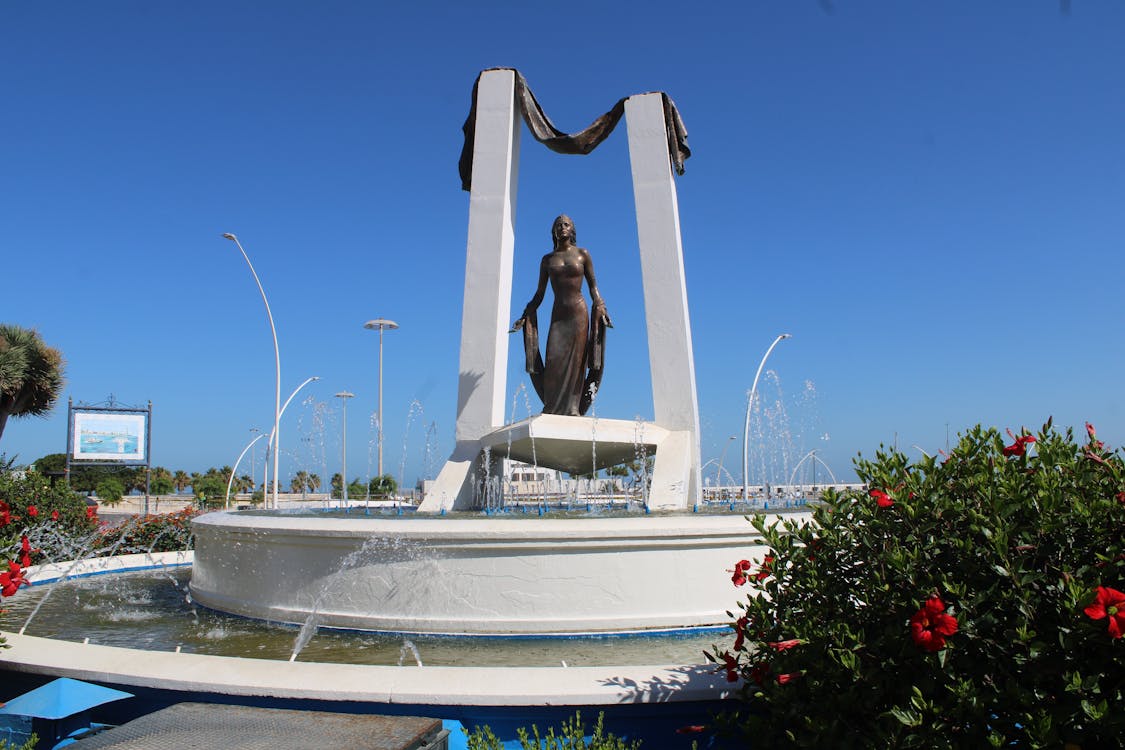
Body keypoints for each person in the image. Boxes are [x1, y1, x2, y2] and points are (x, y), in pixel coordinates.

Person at [510, 215, 612, 416]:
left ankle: (573, 408)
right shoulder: (547, 260)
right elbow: (540, 293)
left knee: (577, 362)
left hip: (578, 313)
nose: (562, 227)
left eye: (566, 224)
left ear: (572, 230)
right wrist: (526, 313)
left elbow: (593, 287)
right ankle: (553, 406)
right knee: (554, 360)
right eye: (558, 225)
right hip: (559, 316)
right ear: (553, 232)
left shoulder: (583, 254)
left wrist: (601, 306)